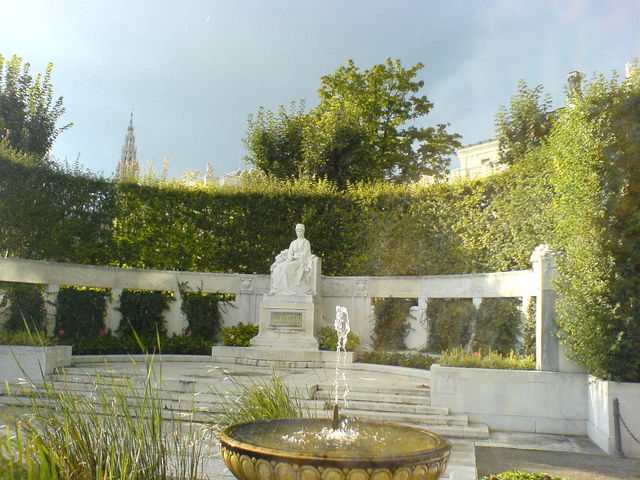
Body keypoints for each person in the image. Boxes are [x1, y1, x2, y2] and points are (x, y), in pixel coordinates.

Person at [270, 223, 313, 295]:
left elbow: (305, 254)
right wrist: (290, 257)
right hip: (292, 260)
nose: (298, 232)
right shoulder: (293, 243)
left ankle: (286, 289)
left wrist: (296, 256)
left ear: (303, 231)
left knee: (286, 268)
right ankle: (277, 288)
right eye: (297, 230)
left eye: (300, 230)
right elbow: (290, 253)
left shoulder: (306, 242)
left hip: (300, 261)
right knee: (279, 267)